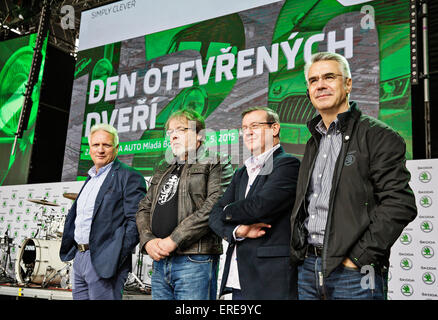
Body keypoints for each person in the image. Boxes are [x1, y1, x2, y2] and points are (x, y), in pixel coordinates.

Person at [289, 52, 417, 300]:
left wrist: (358, 258)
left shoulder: (379, 136)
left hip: (354, 274)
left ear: (348, 84)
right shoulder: (313, 142)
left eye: (329, 77)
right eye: (313, 80)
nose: (320, 85)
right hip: (308, 269)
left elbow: (400, 203)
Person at [136, 108, 233, 300]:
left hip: (194, 259)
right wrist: (148, 241)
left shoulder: (217, 162)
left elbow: (213, 207)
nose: (173, 136)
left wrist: (174, 239)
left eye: (180, 130)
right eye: (170, 132)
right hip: (160, 261)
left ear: (200, 136)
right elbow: (144, 208)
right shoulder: (163, 168)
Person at [209, 106, 300, 300]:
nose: (248, 132)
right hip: (237, 279)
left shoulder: (288, 164)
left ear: (275, 129)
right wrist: (237, 231)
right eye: (244, 128)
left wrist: (226, 210)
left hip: (269, 280)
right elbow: (213, 216)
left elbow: (260, 206)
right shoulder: (241, 172)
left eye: (255, 126)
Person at [60, 124, 146, 300]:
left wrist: (114, 257)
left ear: (116, 148)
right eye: (95, 145)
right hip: (80, 257)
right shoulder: (90, 178)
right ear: (89, 149)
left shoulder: (129, 176)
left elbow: (137, 221)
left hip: (105, 260)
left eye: (106, 145)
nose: (100, 150)